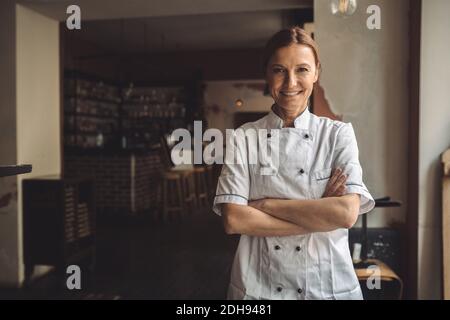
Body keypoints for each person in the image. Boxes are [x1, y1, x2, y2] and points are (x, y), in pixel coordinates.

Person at [212, 26, 375, 300]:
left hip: (326, 286)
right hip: (259, 288)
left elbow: (346, 214)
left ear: (316, 73)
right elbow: (234, 218)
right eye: (279, 70)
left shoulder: (338, 134)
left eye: (302, 69)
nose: (290, 83)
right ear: (267, 74)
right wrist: (321, 215)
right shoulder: (244, 138)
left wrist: (266, 206)